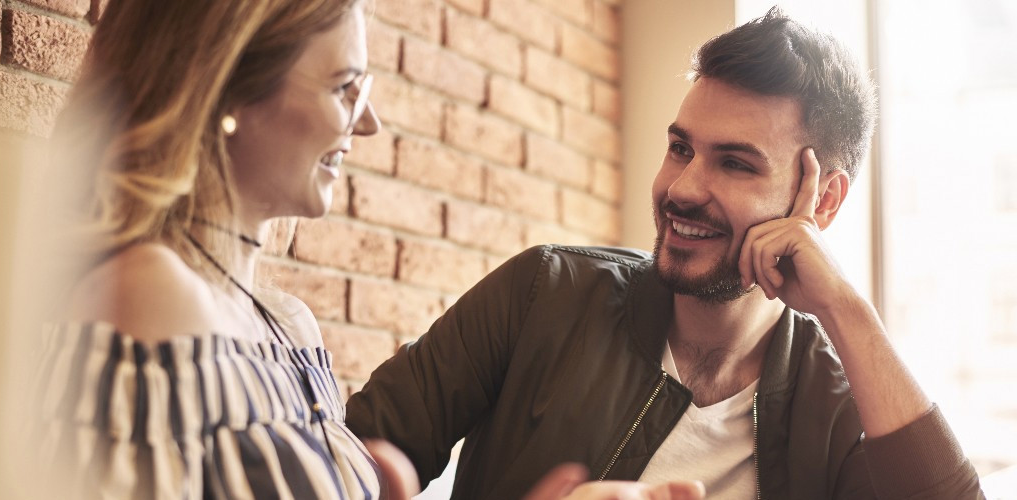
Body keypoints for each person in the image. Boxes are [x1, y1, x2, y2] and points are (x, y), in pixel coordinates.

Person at [30, 0, 707, 498]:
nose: (371, 120)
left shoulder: (287, 323)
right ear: (223, 88)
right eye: (343, 87)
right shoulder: (148, 297)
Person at [345, 7, 985, 500]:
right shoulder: (544, 292)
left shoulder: (842, 406)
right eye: (681, 148)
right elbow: (336, 465)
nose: (681, 189)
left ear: (821, 202)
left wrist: (846, 308)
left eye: (734, 163)